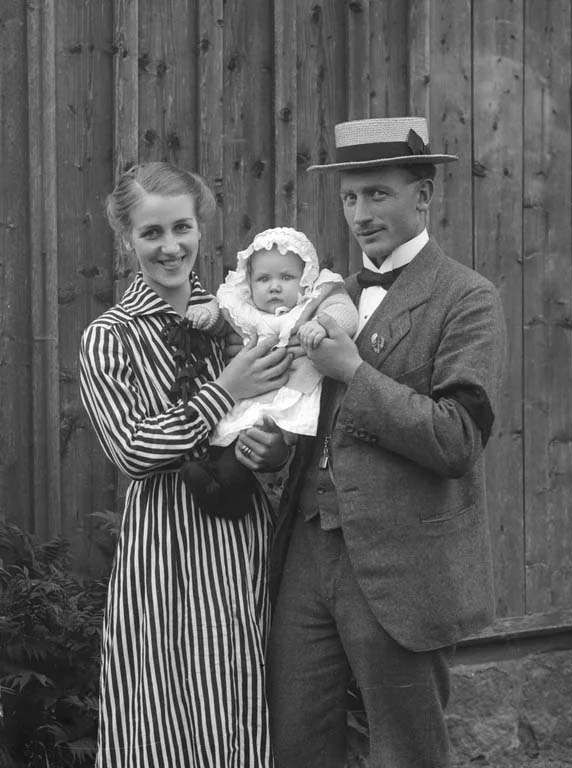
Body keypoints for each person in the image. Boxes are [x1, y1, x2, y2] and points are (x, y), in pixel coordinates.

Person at [265, 117, 508, 768]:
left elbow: (457, 438)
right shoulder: (329, 297)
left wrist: (353, 372)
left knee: (407, 753)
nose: (360, 212)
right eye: (350, 197)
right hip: (307, 556)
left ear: (422, 196)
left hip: (404, 567)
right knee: (297, 746)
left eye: (378, 194)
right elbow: (306, 418)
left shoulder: (467, 299)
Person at [79, 161, 290, 768]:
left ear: (201, 230)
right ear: (127, 240)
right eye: (152, 234)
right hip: (164, 547)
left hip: (242, 535)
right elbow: (133, 450)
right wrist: (224, 389)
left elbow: (282, 411)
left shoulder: (242, 320)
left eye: (182, 229)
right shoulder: (110, 336)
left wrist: (274, 454)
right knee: (164, 707)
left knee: (243, 693)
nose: (170, 247)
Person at [180, 226, 359, 516]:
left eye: (286, 277)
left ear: (306, 280)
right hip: (250, 395)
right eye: (263, 279)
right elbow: (222, 318)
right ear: (249, 283)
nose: (274, 286)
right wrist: (207, 316)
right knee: (232, 436)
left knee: (261, 440)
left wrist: (323, 324)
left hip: (292, 390)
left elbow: (345, 312)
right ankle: (215, 480)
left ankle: (230, 490)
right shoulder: (247, 310)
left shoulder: (314, 302)